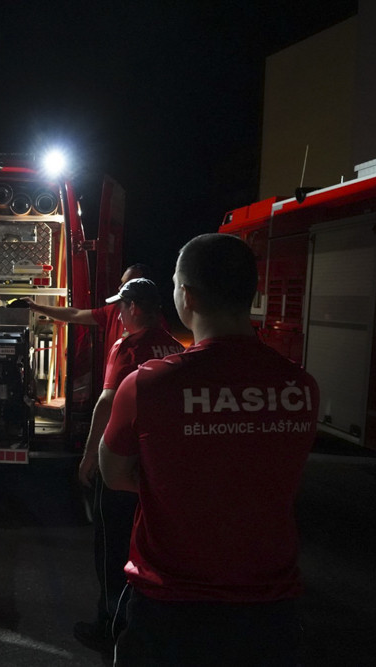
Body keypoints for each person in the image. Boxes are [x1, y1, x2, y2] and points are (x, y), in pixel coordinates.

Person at [100, 234, 320, 666]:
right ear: (251, 293)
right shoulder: (301, 386)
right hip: (269, 609)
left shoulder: (147, 384)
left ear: (187, 296)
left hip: (170, 605)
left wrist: (177, 482)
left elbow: (115, 475)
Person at [72, 278, 183, 653]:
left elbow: (106, 403)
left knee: (111, 548)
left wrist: (89, 456)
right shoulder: (173, 345)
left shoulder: (128, 347)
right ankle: (141, 622)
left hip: (121, 462)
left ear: (134, 307)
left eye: (121, 306)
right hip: (154, 466)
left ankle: (109, 625)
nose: (118, 314)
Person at [25, 264, 155, 349]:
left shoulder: (156, 329)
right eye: (122, 282)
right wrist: (37, 307)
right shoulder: (112, 311)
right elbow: (74, 315)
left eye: (127, 283)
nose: (120, 287)